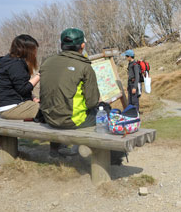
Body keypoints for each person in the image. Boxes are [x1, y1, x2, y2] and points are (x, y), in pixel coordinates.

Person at [39, 28, 124, 164]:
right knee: (106, 111)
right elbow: (92, 102)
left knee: (63, 105)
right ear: (82, 46)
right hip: (70, 120)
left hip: (49, 118)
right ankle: (112, 159)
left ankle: (54, 151)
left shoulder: (47, 62)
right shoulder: (84, 66)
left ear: (62, 44)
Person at [0, 34, 41, 120]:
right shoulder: (16, 64)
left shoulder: (5, 61)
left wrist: (33, 97)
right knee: (50, 111)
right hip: (12, 108)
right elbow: (23, 89)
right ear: (27, 51)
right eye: (34, 50)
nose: (35, 54)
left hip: (4, 107)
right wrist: (39, 75)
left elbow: (15, 88)